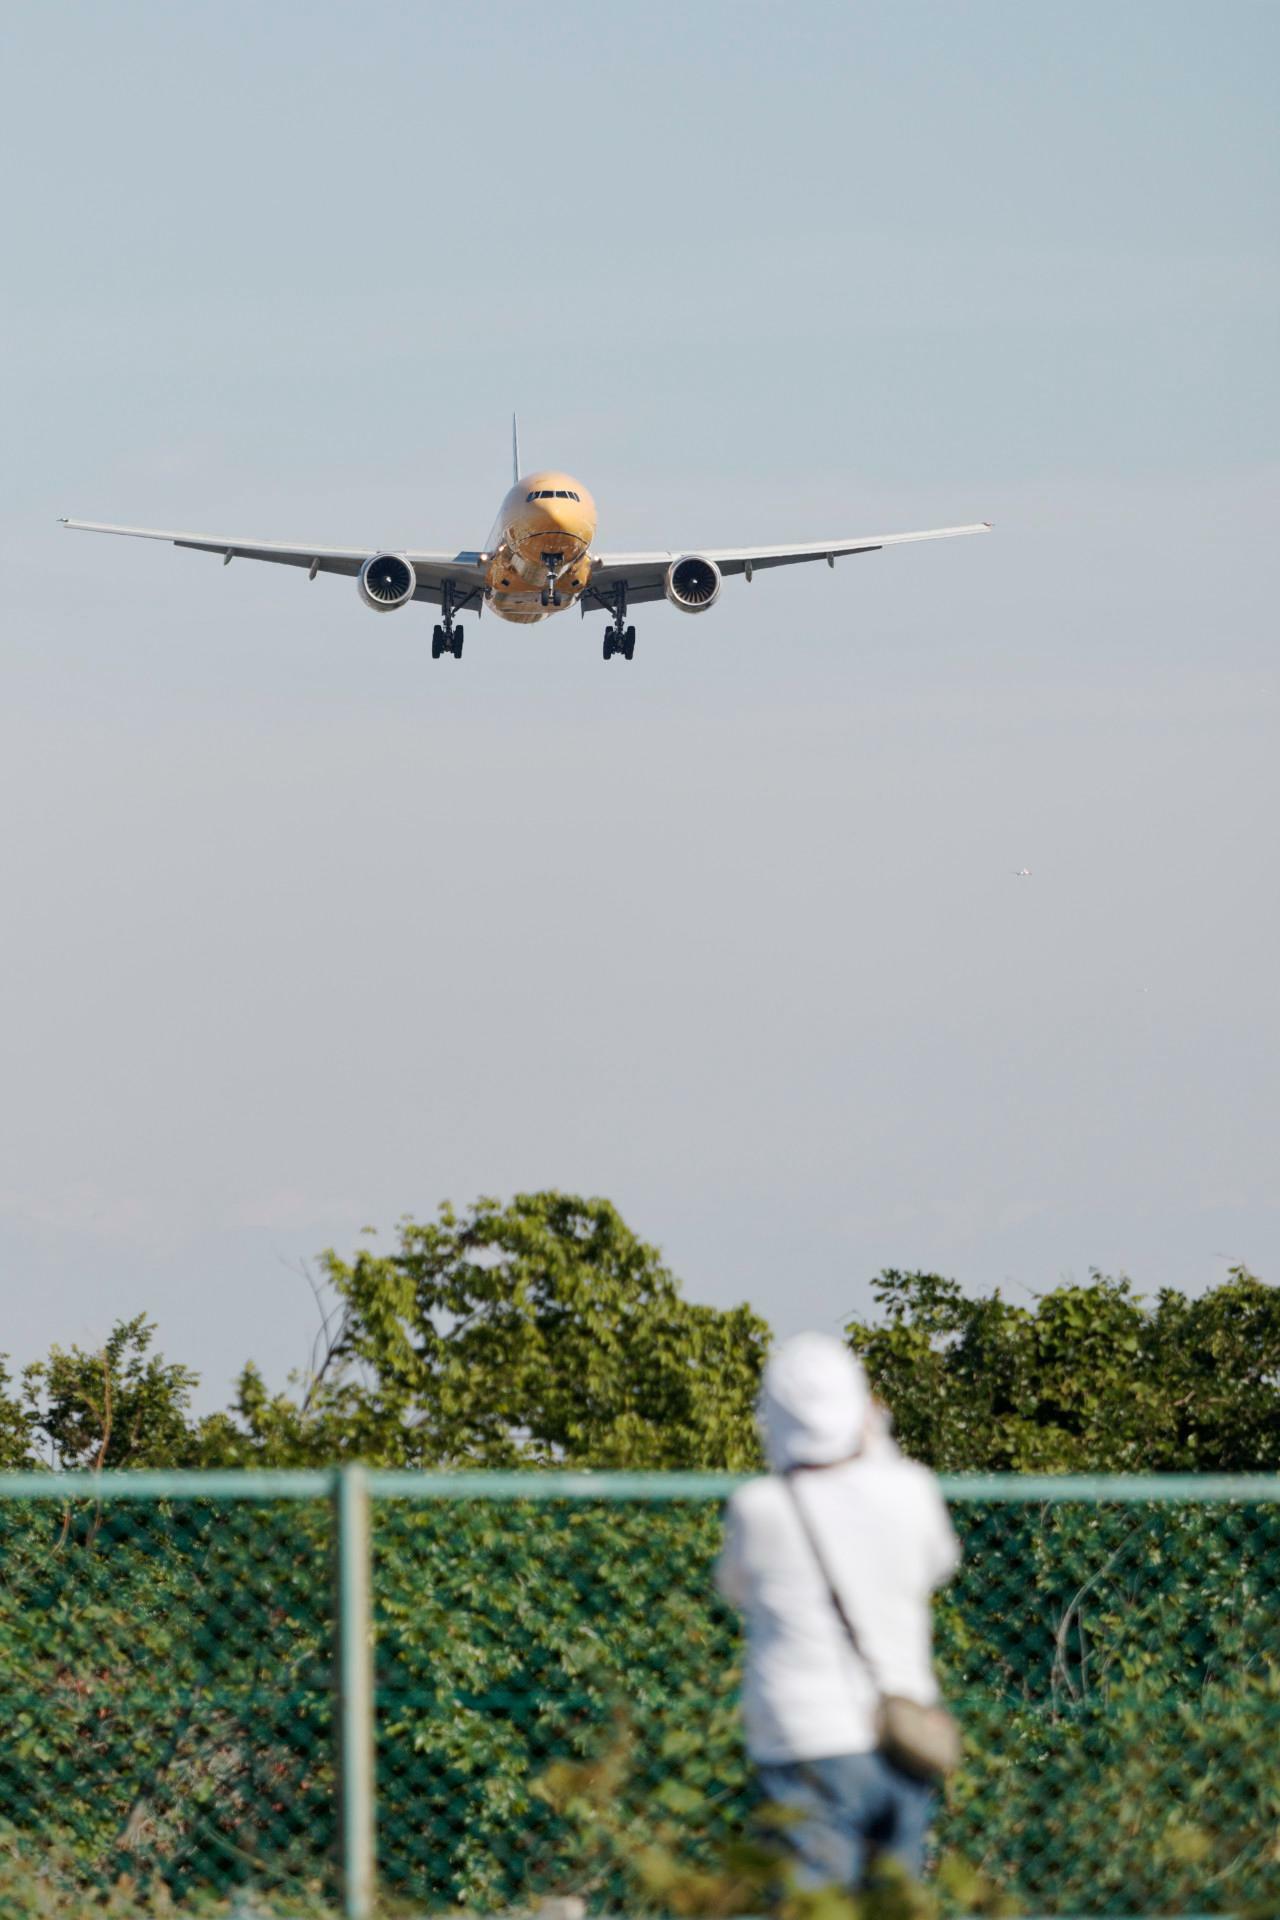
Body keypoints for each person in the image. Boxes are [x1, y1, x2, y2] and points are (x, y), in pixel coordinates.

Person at [716, 1332, 960, 1894]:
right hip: (899, 1733)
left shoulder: (760, 1508)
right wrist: (879, 1446)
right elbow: (938, 1563)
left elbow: (734, 1588)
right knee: (893, 1904)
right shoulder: (912, 1490)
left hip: (803, 1739)